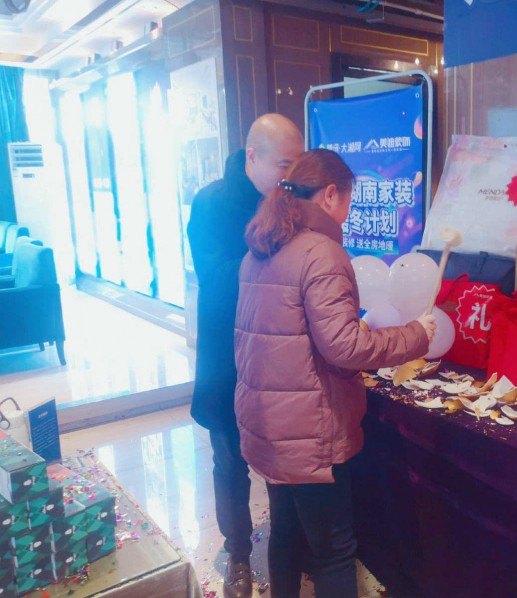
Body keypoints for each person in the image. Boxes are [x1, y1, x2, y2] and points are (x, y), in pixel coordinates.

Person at [234, 149, 437, 598]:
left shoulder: (262, 246)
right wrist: (416, 335)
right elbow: (344, 348)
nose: (348, 212)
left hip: (267, 420)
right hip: (308, 429)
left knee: (285, 531)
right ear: (330, 195)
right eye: (348, 200)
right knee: (334, 551)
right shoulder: (322, 253)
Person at [187, 114, 303, 598]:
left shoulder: (290, 198)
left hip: (276, 354)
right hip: (227, 357)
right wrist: (273, 253)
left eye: (297, 165)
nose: (291, 176)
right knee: (230, 461)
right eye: (284, 165)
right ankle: (237, 552)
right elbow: (216, 278)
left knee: (281, 462)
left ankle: (289, 549)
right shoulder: (212, 203)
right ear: (252, 157)